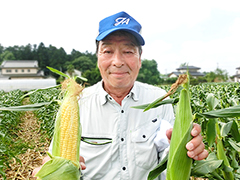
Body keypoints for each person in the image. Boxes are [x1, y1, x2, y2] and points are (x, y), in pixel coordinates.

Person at [33, 11, 208, 180]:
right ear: (98, 58)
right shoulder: (77, 103)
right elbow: (54, 158)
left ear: (140, 58)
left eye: (128, 51)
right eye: (108, 51)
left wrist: (186, 148)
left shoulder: (160, 100)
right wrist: (50, 169)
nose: (117, 62)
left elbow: (167, 154)